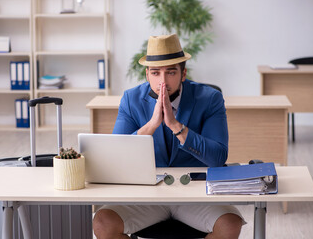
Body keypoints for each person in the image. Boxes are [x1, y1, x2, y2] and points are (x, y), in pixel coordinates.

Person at [93, 34, 245, 239]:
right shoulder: (131, 99)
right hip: (147, 194)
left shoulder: (210, 98)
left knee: (230, 224)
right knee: (102, 222)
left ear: (183, 74)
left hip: (195, 191)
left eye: (171, 72)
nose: (162, 81)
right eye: (156, 73)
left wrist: (176, 126)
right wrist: (151, 125)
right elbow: (116, 156)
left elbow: (218, 157)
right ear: (147, 74)